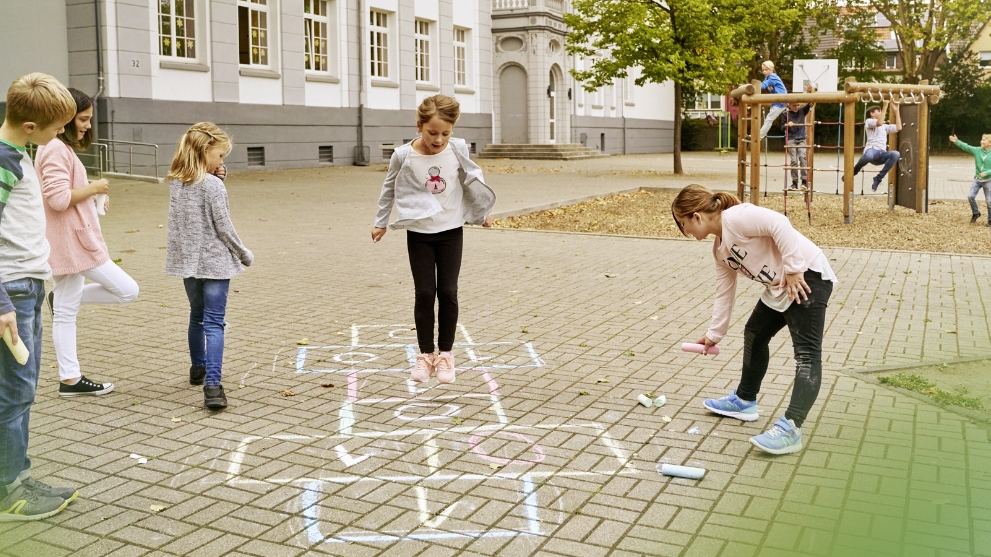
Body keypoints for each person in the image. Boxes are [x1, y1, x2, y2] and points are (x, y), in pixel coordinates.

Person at [671, 184, 838, 455]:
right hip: (779, 286)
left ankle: (791, 428)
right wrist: (715, 333)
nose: (685, 231)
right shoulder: (720, 249)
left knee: (806, 355)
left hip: (808, 276)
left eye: (683, 224)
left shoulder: (736, 217)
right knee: (755, 333)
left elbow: (779, 223)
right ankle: (744, 400)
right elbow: (724, 292)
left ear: (697, 217)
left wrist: (795, 269)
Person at [372, 95, 496, 384]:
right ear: (419, 126)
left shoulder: (458, 149)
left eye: (445, 133)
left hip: (451, 232)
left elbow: (472, 178)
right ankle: (426, 355)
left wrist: (483, 211)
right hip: (419, 234)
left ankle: (446, 356)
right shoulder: (403, 155)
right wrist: (380, 222)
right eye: (432, 133)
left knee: (448, 292)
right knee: (425, 293)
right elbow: (388, 188)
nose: (438, 140)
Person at [0, 73, 80, 520]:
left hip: (23, 285)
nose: (59, 138)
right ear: (30, 127)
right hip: (12, 290)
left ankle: (16, 476)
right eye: (54, 130)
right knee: (14, 393)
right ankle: (10, 490)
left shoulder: (18, 154)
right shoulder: (4, 160)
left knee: (18, 391)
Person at [36, 88, 139, 398]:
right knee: (127, 290)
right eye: (83, 119)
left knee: (66, 313)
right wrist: (93, 186)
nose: (87, 126)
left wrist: (92, 194)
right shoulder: (55, 148)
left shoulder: (58, 148)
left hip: (70, 241)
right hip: (75, 245)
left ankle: (70, 380)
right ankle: (69, 375)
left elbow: (64, 195)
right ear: (65, 118)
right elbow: (57, 199)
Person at [166, 123, 251, 409]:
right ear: (206, 151)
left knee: (196, 316)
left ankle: (197, 368)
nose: (222, 161)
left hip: (188, 264)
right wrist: (243, 253)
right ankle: (213, 386)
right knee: (214, 323)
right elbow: (223, 227)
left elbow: (186, 219)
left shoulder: (177, 183)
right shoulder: (213, 186)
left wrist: (218, 178)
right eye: (221, 156)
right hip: (214, 265)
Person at [852, 100, 902, 192]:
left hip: (881, 154)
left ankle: (878, 178)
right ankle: (855, 170)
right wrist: (885, 106)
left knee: (896, 154)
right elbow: (879, 123)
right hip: (872, 150)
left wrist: (897, 111)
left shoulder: (885, 127)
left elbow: (899, 127)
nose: (882, 112)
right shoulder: (869, 121)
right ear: (872, 114)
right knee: (868, 156)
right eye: (878, 111)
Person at [949, 133, 991, 226]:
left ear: (990, 143)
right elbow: (967, 147)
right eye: (981, 139)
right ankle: (976, 213)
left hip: (988, 180)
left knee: (989, 201)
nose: (981, 141)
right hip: (977, 179)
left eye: (984, 140)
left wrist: (986, 173)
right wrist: (957, 142)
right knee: (970, 196)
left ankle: (990, 219)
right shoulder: (978, 150)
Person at [783, 84, 816, 189]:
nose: (796, 107)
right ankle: (794, 183)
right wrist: (787, 125)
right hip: (791, 138)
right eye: (794, 105)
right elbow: (781, 128)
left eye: (798, 105)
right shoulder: (785, 114)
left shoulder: (802, 110)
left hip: (801, 138)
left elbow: (811, 103)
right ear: (789, 105)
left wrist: (810, 93)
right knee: (793, 161)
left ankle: (804, 181)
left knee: (802, 157)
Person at [758, 61, 788, 140]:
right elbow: (771, 89)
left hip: (781, 101)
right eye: (763, 70)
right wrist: (771, 89)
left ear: (772, 69)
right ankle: (759, 135)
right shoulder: (767, 78)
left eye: (766, 69)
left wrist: (753, 86)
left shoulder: (773, 77)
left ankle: (759, 136)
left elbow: (762, 86)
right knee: (768, 119)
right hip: (777, 101)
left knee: (768, 120)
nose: (764, 71)